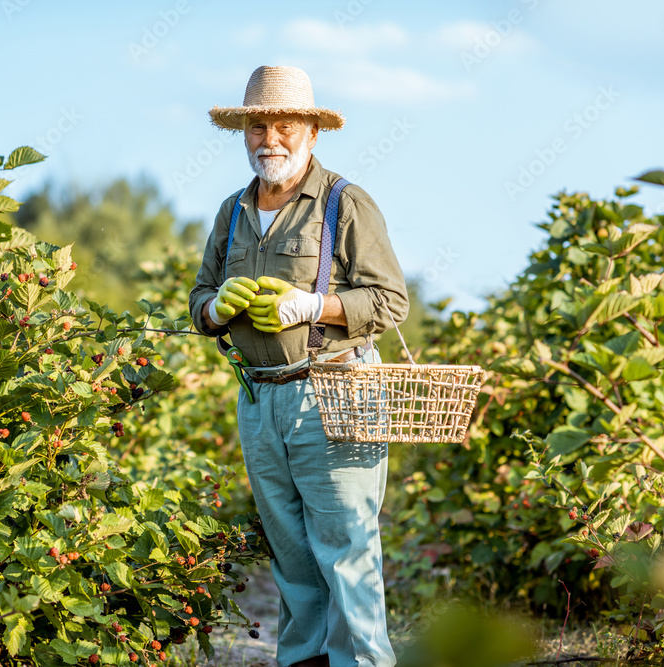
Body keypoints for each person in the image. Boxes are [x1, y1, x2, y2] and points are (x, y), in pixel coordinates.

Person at [189, 65, 408, 667]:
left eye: (284, 124)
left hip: (335, 391)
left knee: (347, 549)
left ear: (312, 131)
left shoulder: (345, 202)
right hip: (260, 400)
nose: (270, 139)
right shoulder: (232, 211)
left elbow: (390, 300)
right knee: (291, 554)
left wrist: (315, 304)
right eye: (257, 125)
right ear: (243, 132)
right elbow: (199, 297)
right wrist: (214, 308)